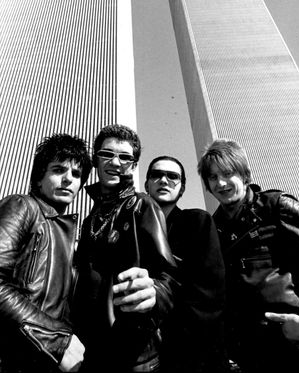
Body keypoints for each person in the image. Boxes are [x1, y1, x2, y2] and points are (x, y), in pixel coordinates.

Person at [197, 138, 299, 373]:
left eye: (228, 173)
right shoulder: (213, 228)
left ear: (245, 175)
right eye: (213, 177)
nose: (221, 183)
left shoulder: (277, 206)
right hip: (248, 354)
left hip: (297, 347)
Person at [73, 124, 177, 373]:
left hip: (134, 354)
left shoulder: (142, 206)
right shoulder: (91, 216)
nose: (115, 162)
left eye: (125, 157)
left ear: (133, 164)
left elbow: (169, 276)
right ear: (96, 160)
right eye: (107, 154)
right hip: (91, 349)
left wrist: (155, 291)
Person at [0, 133, 92, 373]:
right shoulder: (22, 206)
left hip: (45, 362)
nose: (68, 179)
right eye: (58, 170)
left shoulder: (67, 234)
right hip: (13, 358)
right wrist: (57, 340)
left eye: (76, 174)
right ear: (39, 179)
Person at [145, 155, 228, 373]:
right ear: (146, 184)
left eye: (172, 177)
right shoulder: (135, 230)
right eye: (156, 175)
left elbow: (209, 292)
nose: (164, 180)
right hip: (145, 351)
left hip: (193, 351)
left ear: (181, 189)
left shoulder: (197, 221)